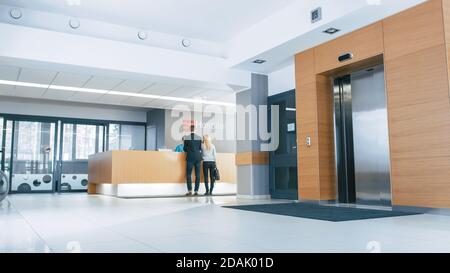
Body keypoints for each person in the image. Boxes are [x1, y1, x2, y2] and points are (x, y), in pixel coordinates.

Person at [183, 125, 202, 196]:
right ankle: (196, 191)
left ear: (189, 130)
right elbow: (200, 148)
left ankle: (190, 190)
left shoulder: (187, 138)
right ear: (195, 130)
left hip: (190, 157)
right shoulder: (199, 138)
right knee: (198, 175)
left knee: (188, 174)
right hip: (198, 158)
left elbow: (184, 149)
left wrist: (189, 149)